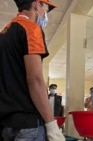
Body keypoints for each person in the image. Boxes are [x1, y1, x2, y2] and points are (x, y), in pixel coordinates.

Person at [0, 0, 64, 140]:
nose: (45, 15)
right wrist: (51, 124)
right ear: (37, 5)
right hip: (27, 124)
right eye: (46, 9)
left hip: (6, 124)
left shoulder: (5, 33)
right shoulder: (31, 28)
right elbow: (35, 80)